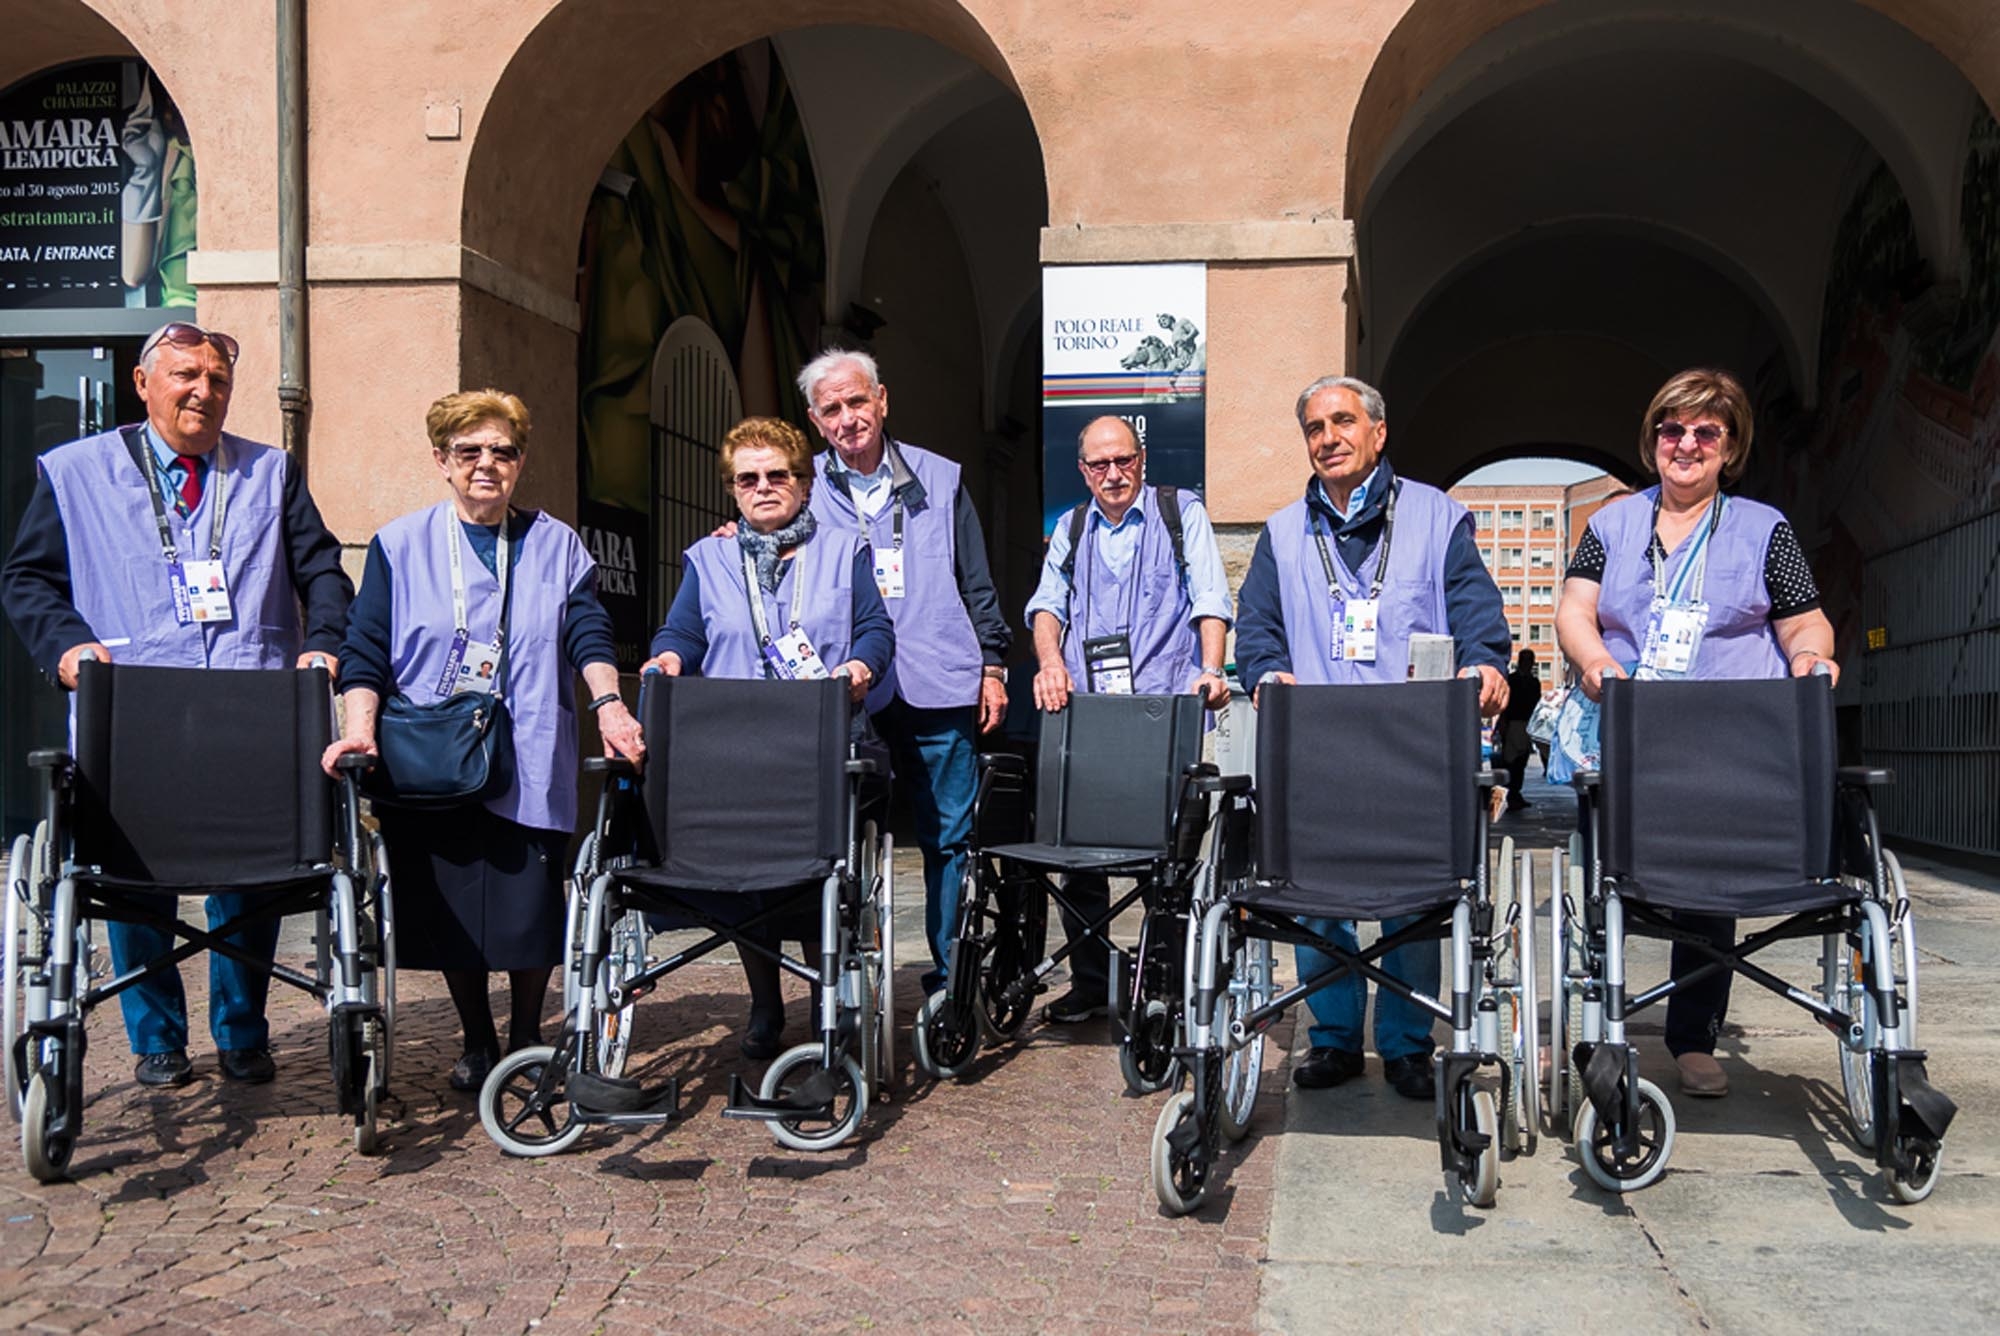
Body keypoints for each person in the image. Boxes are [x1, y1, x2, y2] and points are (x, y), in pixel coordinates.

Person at [1, 321, 353, 1088]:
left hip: (250, 702)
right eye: (186, 375)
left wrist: (322, 641)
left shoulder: (271, 472)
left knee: (252, 876)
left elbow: (323, 571)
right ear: (143, 381)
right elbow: (28, 581)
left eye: (218, 380)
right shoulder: (74, 472)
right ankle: (155, 1037)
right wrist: (65, 647)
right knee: (130, 877)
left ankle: (241, 1031)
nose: (203, 391)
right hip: (134, 709)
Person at [323, 390, 644, 1092]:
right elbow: (366, 647)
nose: (486, 465)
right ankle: (476, 1038)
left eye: (502, 451)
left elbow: (586, 631)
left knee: (530, 902)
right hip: (431, 752)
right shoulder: (400, 544)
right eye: (469, 452)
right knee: (449, 902)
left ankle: (528, 1036)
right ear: (441, 460)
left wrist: (611, 706)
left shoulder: (556, 543)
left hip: (527, 746)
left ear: (522, 461)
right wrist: (358, 730)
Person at [1555, 367, 1836, 1101]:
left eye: (1705, 431)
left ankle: (1690, 1037)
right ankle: (1603, 1020)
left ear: (1730, 446)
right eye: (1671, 429)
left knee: (1711, 886)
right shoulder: (1611, 525)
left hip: (1728, 737)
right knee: (1608, 876)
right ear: (1651, 441)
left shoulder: (1763, 528)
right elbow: (1575, 610)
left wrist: (1812, 654)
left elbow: (1803, 618)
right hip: (1633, 725)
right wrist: (1594, 660)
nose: (1686, 443)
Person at [1235, 375, 1511, 1101]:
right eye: (1315, 427)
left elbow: (1476, 610)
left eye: (1343, 421)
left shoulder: (1437, 517)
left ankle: (1408, 1041)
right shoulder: (1282, 532)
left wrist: (1486, 661)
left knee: (1413, 898)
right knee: (1314, 897)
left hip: (1410, 751)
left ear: (1377, 433)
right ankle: (1332, 1040)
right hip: (1318, 749)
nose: (1328, 437)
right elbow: (1256, 627)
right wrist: (1265, 672)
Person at [643, 416, 894, 1057]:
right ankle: (764, 1003)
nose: (763, 487)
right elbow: (683, 634)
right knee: (745, 876)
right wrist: (666, 660)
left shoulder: (844, 550)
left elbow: (875, 628)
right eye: (747, 478)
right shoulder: (710, 557)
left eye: (777, 475)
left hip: (820, 743)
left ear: (804, 484)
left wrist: (861, 665)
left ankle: (825, 996)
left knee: (815, 872)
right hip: (734, 749)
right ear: (732, 489)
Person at [797, 349, 1011, 997]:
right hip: (845, 687)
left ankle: (952, 977)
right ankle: (846, 982)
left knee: (951, 836)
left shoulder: (941, 479)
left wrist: (994, 665)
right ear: (815, 420)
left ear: (882, 400)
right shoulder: (800, 487)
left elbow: (975, 579)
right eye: (831, 409)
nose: (848, 418)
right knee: (834, 842)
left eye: (857, 402)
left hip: (938, 677)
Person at [1024, 415, 1232, 1022]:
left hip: (1164, 709)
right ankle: (1091, 981)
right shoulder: (1072, 525)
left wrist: (1211, 669)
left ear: (1141, 460)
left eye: (1124, 461)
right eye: (1099, 465)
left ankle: (1162, 985)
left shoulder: (1178, 512)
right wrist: (1050, 663)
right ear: (1083, 470)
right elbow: (1047, 604)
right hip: (1090, 712)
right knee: (1077, 851)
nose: (1114, 474)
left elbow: (1210, 595)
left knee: (1170, 854)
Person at [1499, 648, 1542, 808]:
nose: (1527, 663)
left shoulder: (1534, 682)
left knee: (1521, 761)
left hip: (1526, 724)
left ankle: (1516, 793)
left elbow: (1536, 705)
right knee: (1510, 760)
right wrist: (1503, 722)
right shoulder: (1511, 680)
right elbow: (1505, 703)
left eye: (1529, 660)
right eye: (1524, 660)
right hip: (1513, 723)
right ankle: (1509, 795)